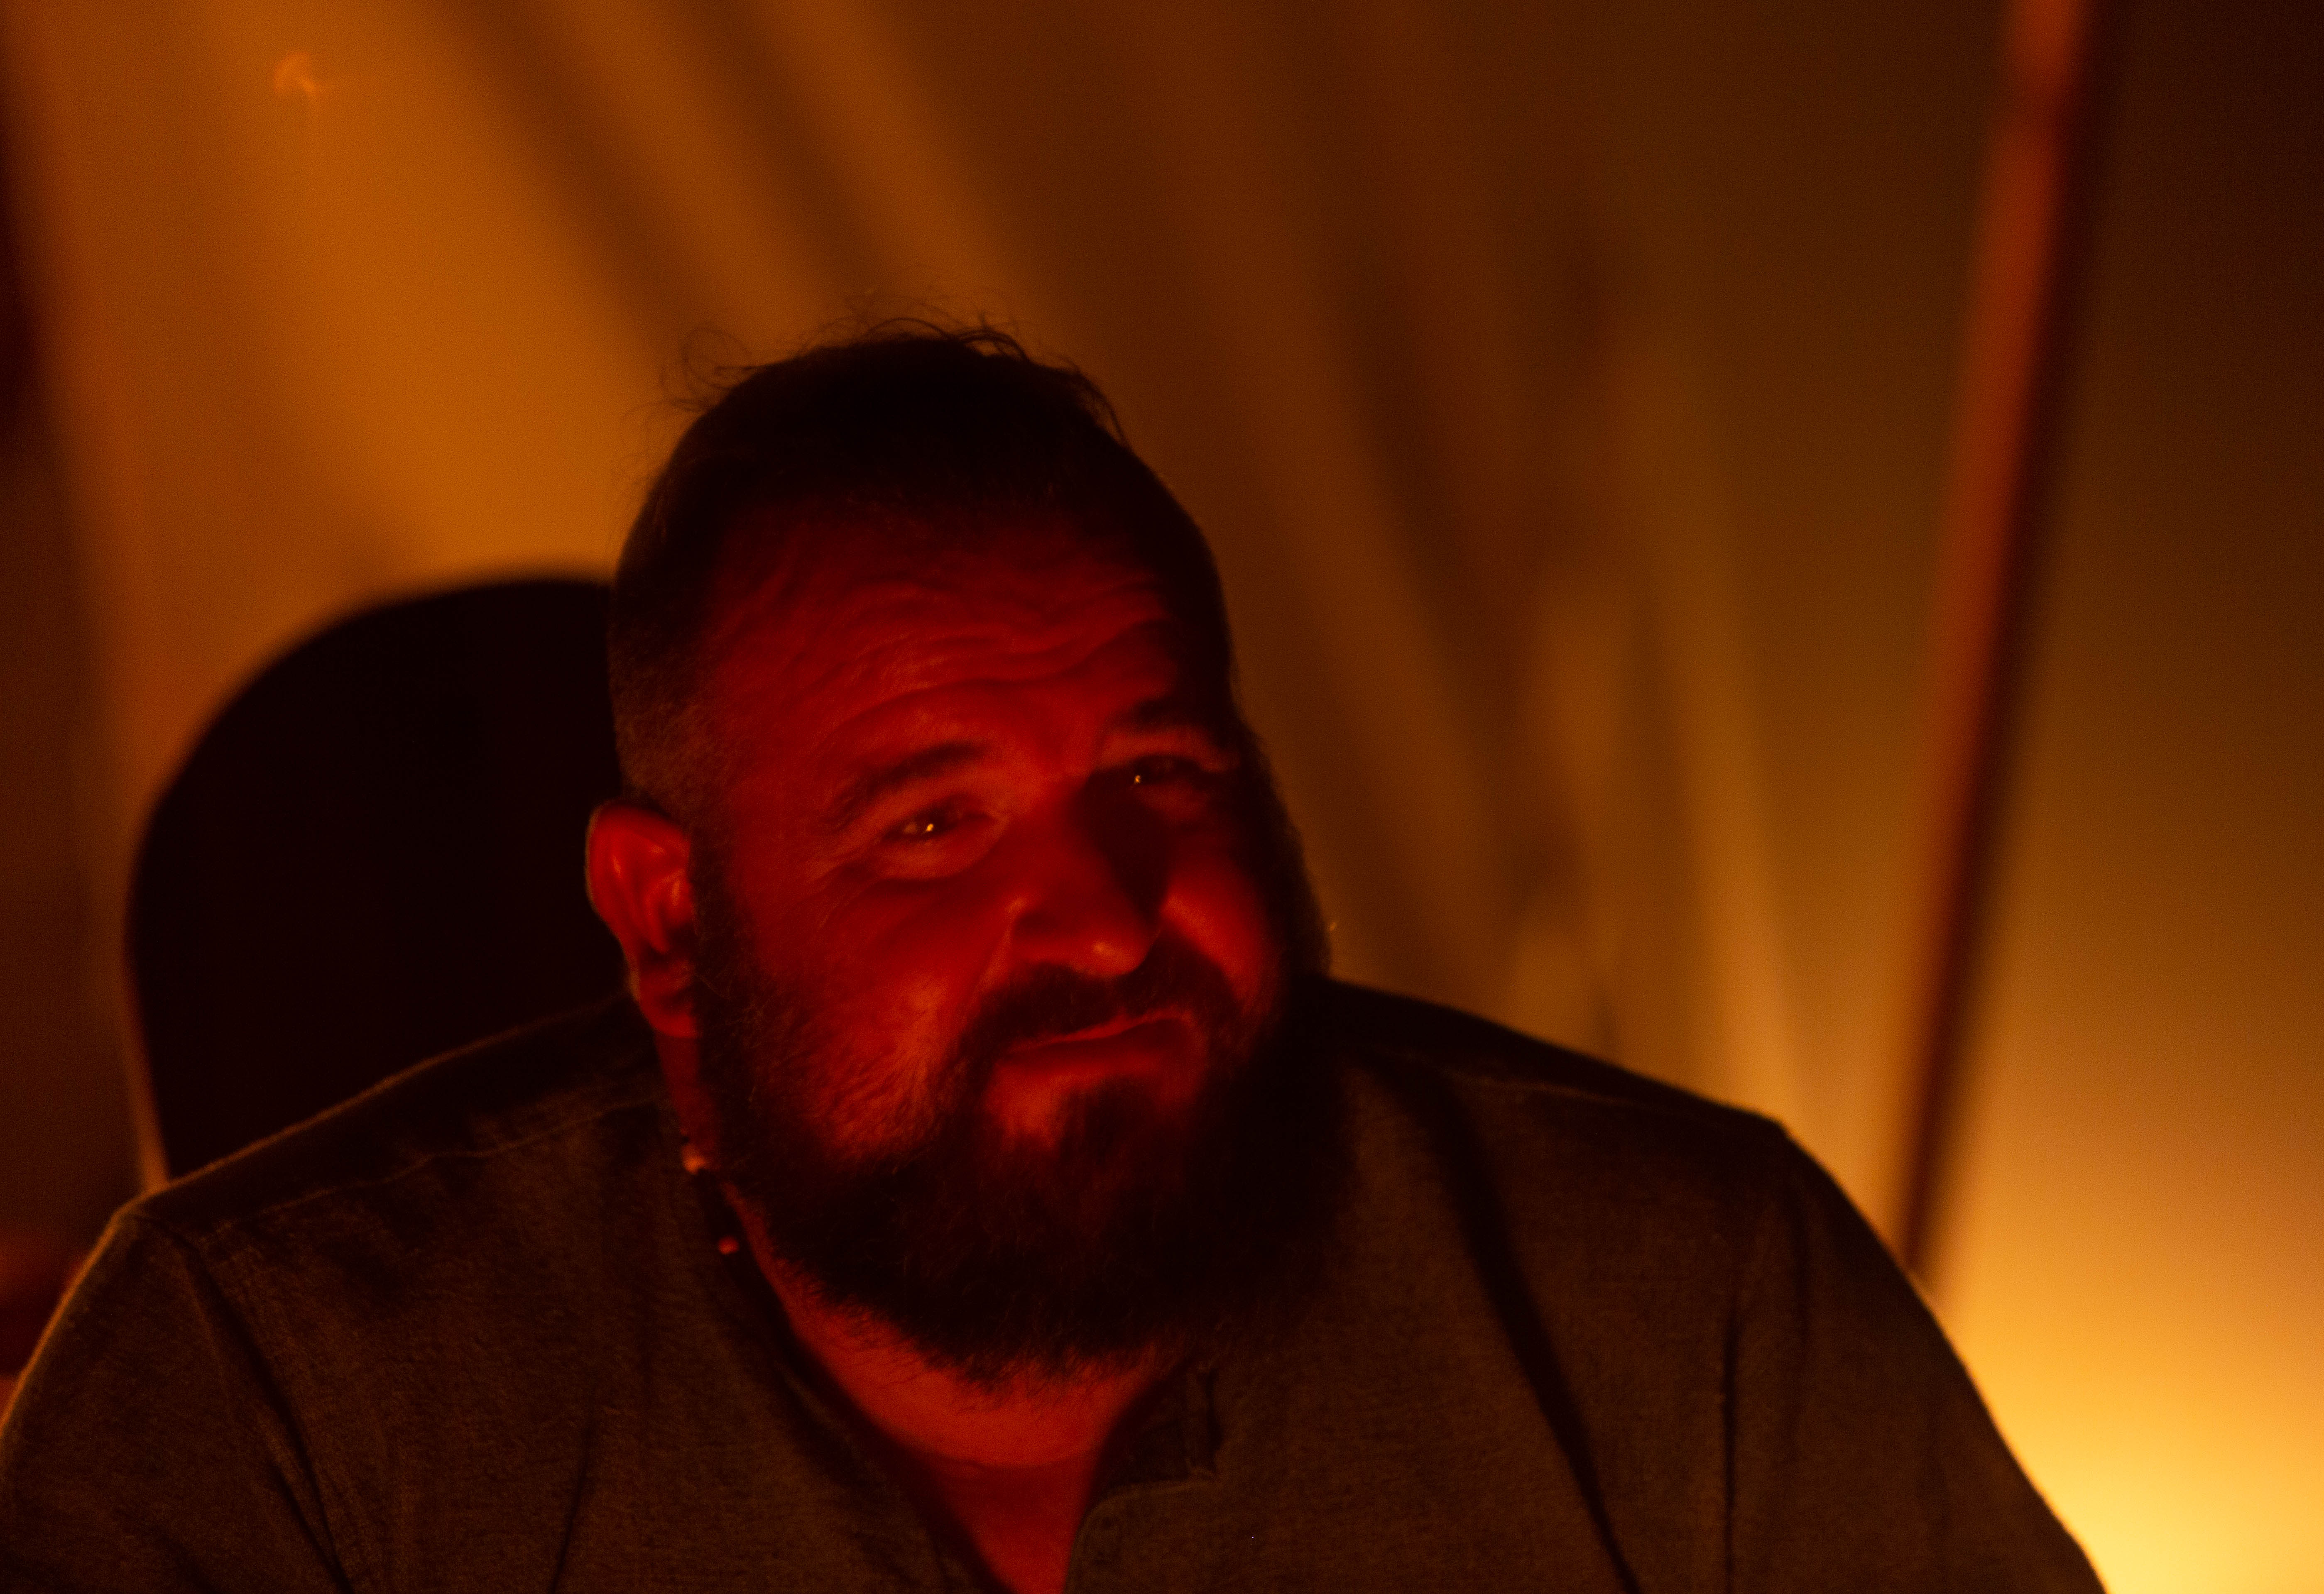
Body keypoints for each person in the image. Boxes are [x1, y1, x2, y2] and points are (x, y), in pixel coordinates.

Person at [0, 326, 2103, 1593]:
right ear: (668, 923)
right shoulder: (278, 1397)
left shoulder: (1683, 1306)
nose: (1104, 914)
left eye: (1161, 775)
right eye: (935, 826)